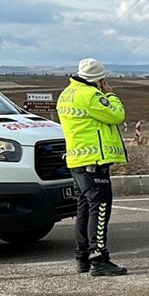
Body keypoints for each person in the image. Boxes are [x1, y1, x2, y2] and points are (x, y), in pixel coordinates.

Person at [56, 58, 128, 277]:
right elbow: (117, 115)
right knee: (100, 209)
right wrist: (111, 94)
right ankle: (98, 258)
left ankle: (83, 257)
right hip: (94, 161)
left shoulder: (66, 94)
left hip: (77, 161)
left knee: (84, 209)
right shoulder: (91, 95)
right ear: (99, 80)